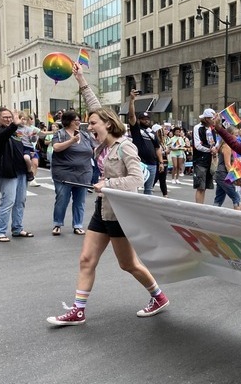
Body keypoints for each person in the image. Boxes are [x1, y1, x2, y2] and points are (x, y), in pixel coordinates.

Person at [47, 66, 169, 325]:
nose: (88, 127)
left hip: (120, 213)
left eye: (92, 124)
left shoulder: (126, 147)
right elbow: (96, 107)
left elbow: (139, 179)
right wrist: (81, 80)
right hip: (102, 209)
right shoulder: (101, 143)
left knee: (128, 264)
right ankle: (78, 310)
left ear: (108, 124)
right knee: (86, 259)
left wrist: (109, 183)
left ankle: (158, 296)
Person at [0, 108, 33, 242]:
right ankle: (0, 231)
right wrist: (14, 124)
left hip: (21, 171)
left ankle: (17, 229)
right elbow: (1, 138)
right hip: (7, 172)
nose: (8, 119)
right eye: (5, 117)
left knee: (20, 201)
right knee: (8, 202)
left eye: (9, 117)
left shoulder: (14, 131)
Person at [50, 106, 94, 236]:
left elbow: (93, 149)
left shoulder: (85, 135)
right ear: (68, 121)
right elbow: (56, 148)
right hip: (64, 173)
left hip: (84, 173)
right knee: (62, 199)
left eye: (79, 120)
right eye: (76, 120)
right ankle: (57, 224)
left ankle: (78, 225)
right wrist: (71, 141)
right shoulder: (60, 134)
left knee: (80, 201)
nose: (78, 122)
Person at [127, 90, 165, 195]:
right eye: (143, 119)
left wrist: (161, 162)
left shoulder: (152, 133)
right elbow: (131, 116)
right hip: (140, 163)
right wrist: (132, 100)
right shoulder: (136, 129)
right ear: (139, 120)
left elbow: (157, 148)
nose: (146, 120)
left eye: (147, 118)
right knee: (134, 188)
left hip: (152, 164)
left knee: (149, 190)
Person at [192, 109, 218, 204]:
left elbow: (215, 142)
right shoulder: (198, 128)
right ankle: (199, 208)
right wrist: (210, 149)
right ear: (206, 119)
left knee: (205, 186)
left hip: (210, 160)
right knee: (200, 187)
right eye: (212, 118)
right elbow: (197, 145)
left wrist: (215, 148)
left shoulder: (212, 129)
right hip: (200, 160)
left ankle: (201, 206)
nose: (214, 120)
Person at [213, 124, 241, 210]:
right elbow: (227, 164)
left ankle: (212, 214)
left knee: (219, 198)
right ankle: (238, 219)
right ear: (229, 135)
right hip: (224, 175)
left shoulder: (227, 145)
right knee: (236, 198)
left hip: (221, 174)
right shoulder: (227, 146)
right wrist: (234, 178)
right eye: (236, 135)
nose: (237, 137)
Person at [16, 112, 41, 185]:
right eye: (22, 119)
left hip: (27, 147)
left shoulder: (29, 129)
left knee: (26, 158)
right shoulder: (15, 128)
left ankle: (29, 171)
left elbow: (33, 140)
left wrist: (34, 136)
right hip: (18, 146)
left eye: (25, 120)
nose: (23, 121)